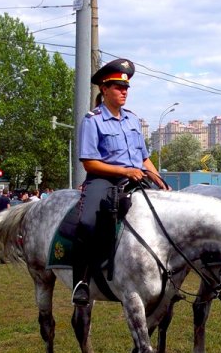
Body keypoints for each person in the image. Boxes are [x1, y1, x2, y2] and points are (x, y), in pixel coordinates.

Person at [71, 58, 168, 306]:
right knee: (87, 222)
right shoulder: (92, 120)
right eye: (118, 87)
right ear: (104, 89)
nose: (124, 91)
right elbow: (89, 163)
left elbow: (144, 158)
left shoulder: (133, 120)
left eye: (126, 88)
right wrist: (124, 171)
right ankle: (81, 282)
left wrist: (159, 180)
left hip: (136, 179)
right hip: (103, 181)